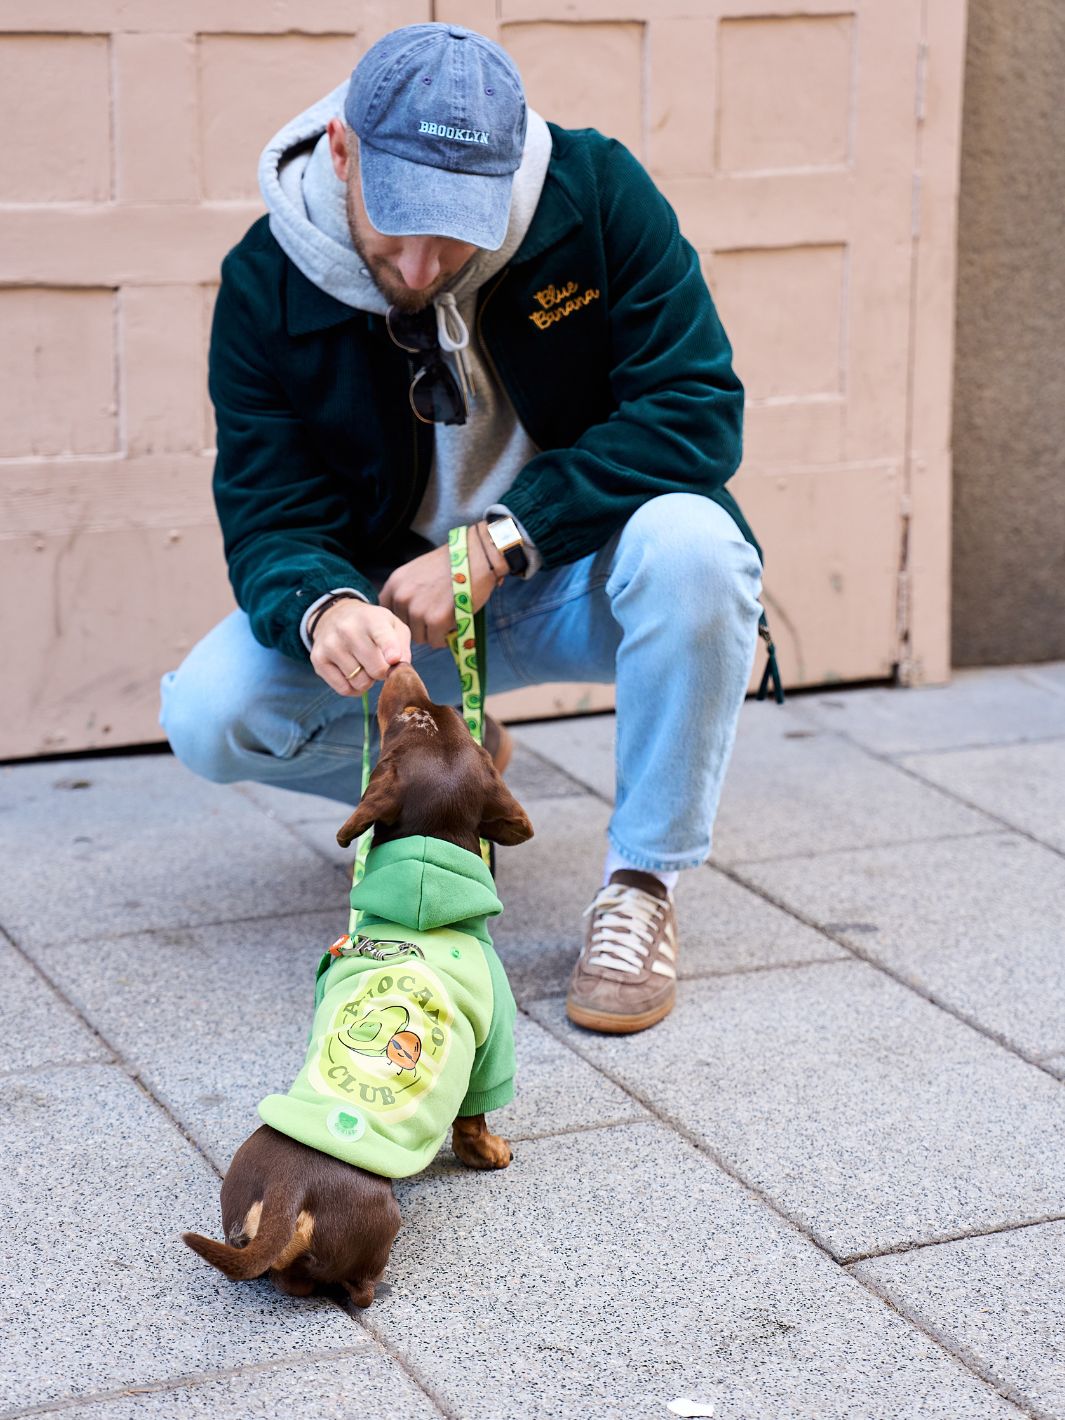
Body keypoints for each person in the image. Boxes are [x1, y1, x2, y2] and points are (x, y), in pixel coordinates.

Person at [159, 21, 765, 1036]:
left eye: (457, 229)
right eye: (399, 221)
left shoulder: (599, 193)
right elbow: (268, 508)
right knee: (211, 711)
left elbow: (696, 406)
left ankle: (642, 885)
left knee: (698, 547)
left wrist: (502, 540)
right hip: (406, 626)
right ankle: (448, 754)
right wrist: (326, 605)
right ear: (342, 150)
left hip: (573, 576)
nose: (424, 259)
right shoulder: (264, 281)